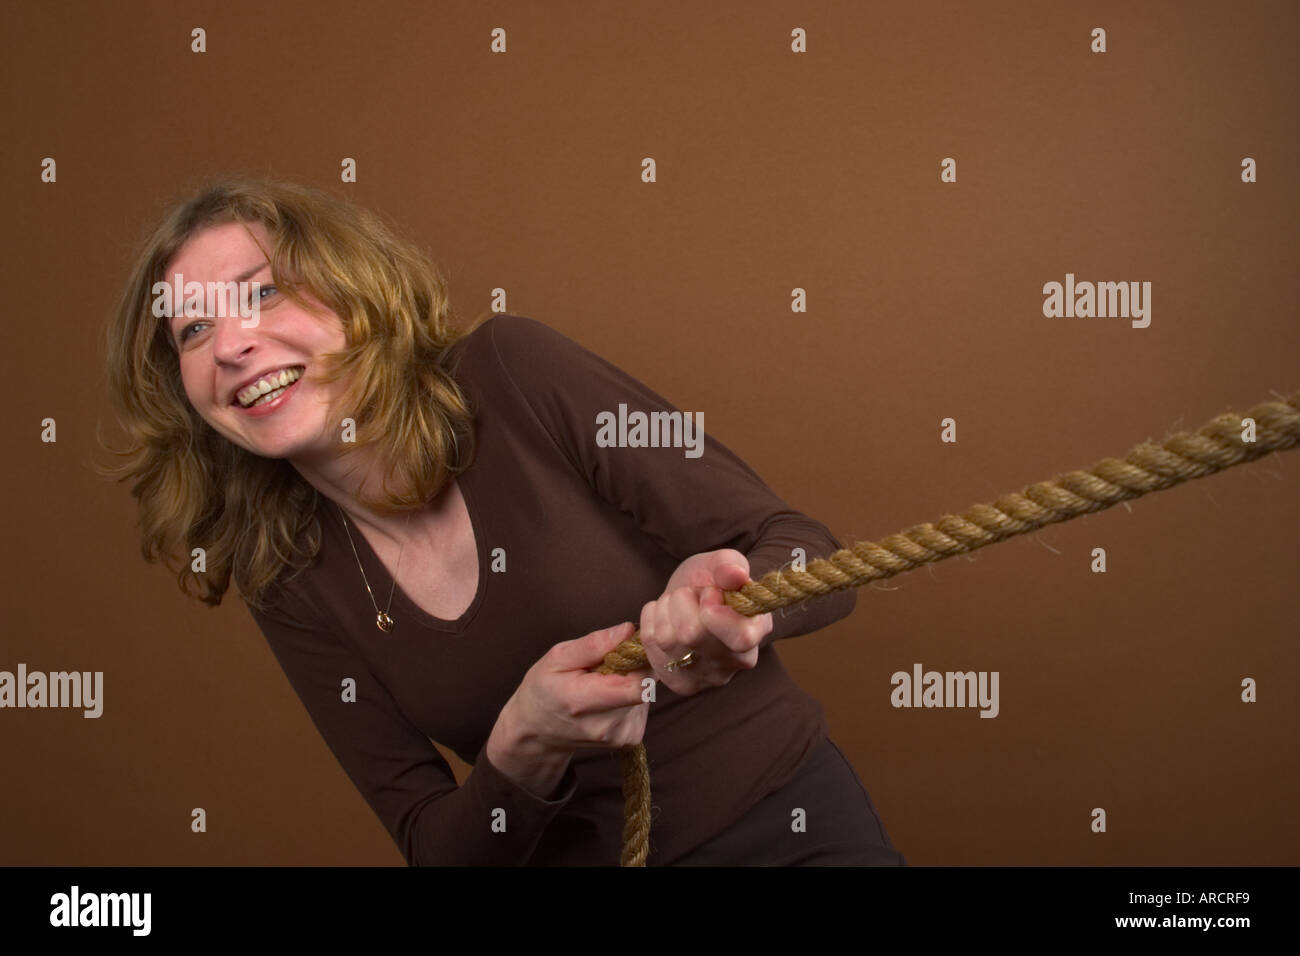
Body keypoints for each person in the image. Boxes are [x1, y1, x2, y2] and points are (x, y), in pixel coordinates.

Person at [99, 177, 907, 866]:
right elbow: (433, 843)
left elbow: (807, 551)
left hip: (790, 830)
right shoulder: (283, 572)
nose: (231, 345)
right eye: (193, 329)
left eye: (261, 291)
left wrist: (744, 597)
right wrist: (520, 747)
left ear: (353, 288)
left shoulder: (514, 372)